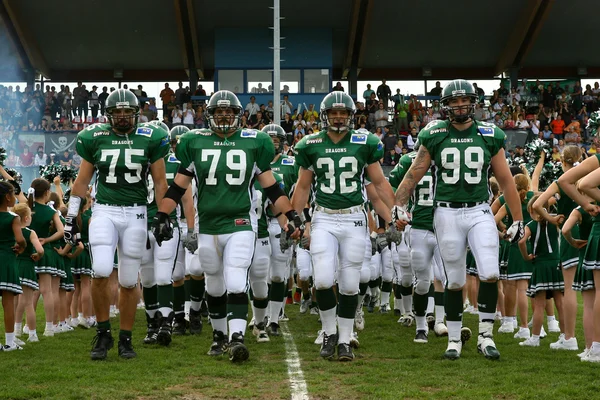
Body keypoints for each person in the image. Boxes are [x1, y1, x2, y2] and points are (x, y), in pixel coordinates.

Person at [151, 90, 302, 363]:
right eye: (218, 113)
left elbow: (272, 188)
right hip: (208, 225)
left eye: (228, 113)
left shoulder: (253, 142)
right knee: (215, 285)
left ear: (238, 116)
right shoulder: (195, 142)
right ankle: (219, 336)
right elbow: (177, 187)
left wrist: (290, 213)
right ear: (209, 115)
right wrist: (162, 214)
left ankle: (237, 338)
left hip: (240, 222)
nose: (223, 117)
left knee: (235, 280)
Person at [393, 79, 524, 361]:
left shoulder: (489, 134)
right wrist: (399, 204)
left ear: (474, 103)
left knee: (489, 272)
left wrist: (518, 218)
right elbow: (414, 173)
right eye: (454, 101)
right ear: (446, 106)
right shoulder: (435, 134)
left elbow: (506, 180)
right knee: (453, 279)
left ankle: (486, 336)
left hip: (479, 209)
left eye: (464, 100)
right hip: (447, 212)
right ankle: (454, 339)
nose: (460, 105)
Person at [291, 91, 398, 361]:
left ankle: (345, 339)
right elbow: (303, 187)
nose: (338, 117)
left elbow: (379, 183)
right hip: (324, 217)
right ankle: (329, 332)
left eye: (343, 113)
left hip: (353, 217)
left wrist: (396, 209)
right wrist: (295, 218)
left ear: (351, 116)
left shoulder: (365, 142)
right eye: (333, 113)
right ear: (325, 116)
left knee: (350, 284)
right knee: (324, 279)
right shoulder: (310, 143)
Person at [64, 89, 170, 361]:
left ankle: (125, 338)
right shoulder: (95, 137)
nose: (122, 117)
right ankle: (102, 333)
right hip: (105, 210)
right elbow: (82, 182)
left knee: (127, 279)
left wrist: (163, 214)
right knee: (100, 270)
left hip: (136, 212)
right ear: (108, 115)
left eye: (127, 112)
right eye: (117, 112)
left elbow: (160, 182)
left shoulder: (151, 137)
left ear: (137, 113)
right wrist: (70, 216)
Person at [140, 125, 196, 347]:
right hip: (140, 224)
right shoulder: (136, 160)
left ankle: (165, 323)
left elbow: (187, 199)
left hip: (167, 225)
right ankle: (152, 324)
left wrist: (190, 229)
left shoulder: (176, 164)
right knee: (147, 279)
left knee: (164, 277)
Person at [13, 203, 44, 344]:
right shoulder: (30, 233)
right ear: (26, 218)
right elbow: (40, 250)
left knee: (15, 302)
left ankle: (15, 331)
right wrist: (37, 255)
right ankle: (32, 334)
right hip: (27, 267)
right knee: (28, 303)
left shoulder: (11, 231)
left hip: (14, 267)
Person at [0, 182, 26, 351]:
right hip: (7, 261)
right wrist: (21, 248)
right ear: (8, 197)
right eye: (14, 193)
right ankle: (9, 342)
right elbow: (21, 239)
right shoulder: (13, 218)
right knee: (8, 302)